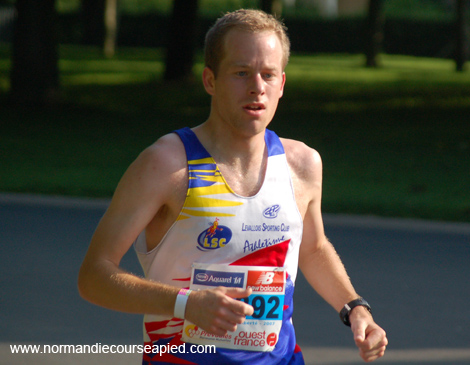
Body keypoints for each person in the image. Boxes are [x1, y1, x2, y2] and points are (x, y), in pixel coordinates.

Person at [78, 9, 387, 364]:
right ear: (210, 80)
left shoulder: (302, 164)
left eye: (268, 75)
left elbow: (313, 249)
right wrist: (186, 304)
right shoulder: (165, 165)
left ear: (282, 84)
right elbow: (94, 276)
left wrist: (355, 308)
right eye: (241, 73)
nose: (257, 87)